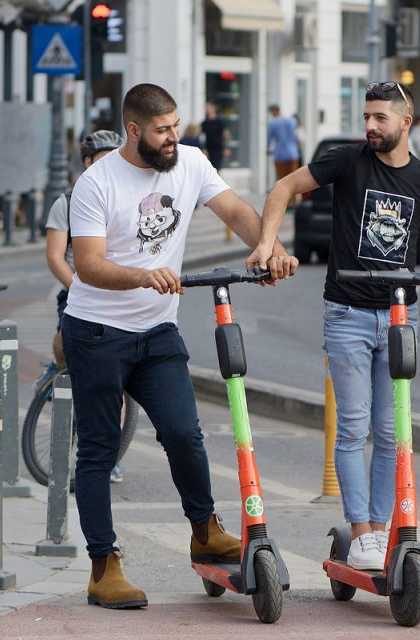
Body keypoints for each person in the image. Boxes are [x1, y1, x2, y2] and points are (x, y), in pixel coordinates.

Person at [63, 83, 296, 609]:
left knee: (184, 433)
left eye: (176, 127)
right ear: (133, 130)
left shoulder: (190, 161)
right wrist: (145, 276)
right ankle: (104, 565)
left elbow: (235, 211)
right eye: (162, 130)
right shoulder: (97, 184)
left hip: (156, 334)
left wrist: (270, 249)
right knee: (99, 449)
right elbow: (90, 265)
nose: (173, 138)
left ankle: (205, 529)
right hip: (97, 332)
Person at [249, 81, 420, 571]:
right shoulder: (347, 161)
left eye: (380, 119)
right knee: (352, 427)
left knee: (391, 432)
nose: (370, 126)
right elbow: (284, 187)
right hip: (347, 313)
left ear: (405, 123)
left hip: (400, 316)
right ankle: (362, 533)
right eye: (367, 117)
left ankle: (381, 528)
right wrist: (268, 242)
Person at [44, 130, 126, 484]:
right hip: (81, 286)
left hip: (122, 288)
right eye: (103, 157)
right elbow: (55, 256)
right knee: (66, 340)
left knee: (116, 385)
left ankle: (113, 455)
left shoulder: (127, 194)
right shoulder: (67, 200)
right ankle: (57, 366)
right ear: (89, 162)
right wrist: (81, 286)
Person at [200, 102, 227, 170]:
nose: (207, 109)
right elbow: (201, 136)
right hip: (208, 149)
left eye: (209, 107)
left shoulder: (219, 121)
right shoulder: (204, 123)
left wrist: (226, 147)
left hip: (218, 148)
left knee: (217, 168)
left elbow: (225, 135)